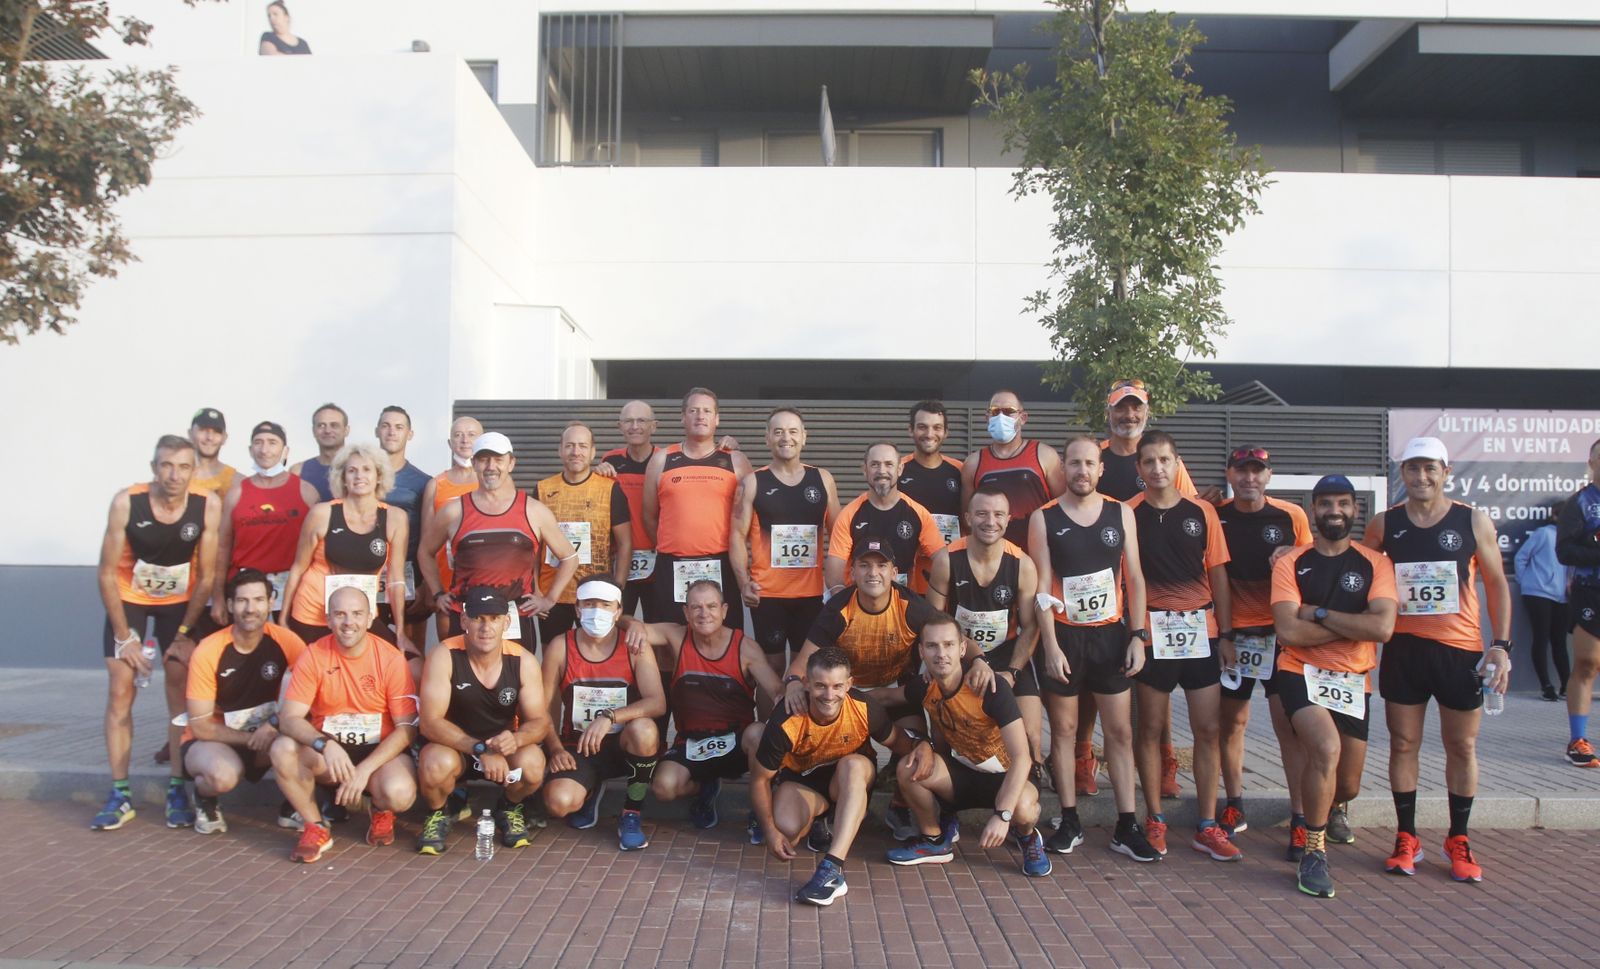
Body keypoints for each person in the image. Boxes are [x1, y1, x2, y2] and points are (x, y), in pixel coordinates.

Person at [1364, 436, 1512, 882]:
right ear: (1402, 473)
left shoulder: (1472, 520)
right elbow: (1362, 579)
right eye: (1413, 468)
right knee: (1403, 743)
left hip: (1459, 650)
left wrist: (1501, 647)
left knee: (1461, 745)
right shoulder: (1384, 524)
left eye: (1431, 468)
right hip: (1404, 650)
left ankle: (1459, 837)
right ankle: (1406, 835)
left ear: (1446, 472)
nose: (1422, 476)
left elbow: (1497, 584)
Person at [1027, 436, 1157, 862]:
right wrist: (1048, 644)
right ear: (1063, 469)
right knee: (1063, 732)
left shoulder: (1121, 513)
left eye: (1090, 464)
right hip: (1064, 637)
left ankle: (1126, 822)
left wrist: (1137, 635)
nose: (1082, 471)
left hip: (1110, 637)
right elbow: (1042, 587)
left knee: (1120, 733)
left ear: (1101, 469)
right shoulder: (1043, 518)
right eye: (1074, 464)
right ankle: (1069, 818)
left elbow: (1135, 578)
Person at [1271, 474, 1397, 898]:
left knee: (1348, 785)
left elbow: (1382, 627)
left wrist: (1319, 614)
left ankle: (1329, 807)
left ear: (1355, 510)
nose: (1334, 511)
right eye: (1326, 504)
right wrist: (1352, 627)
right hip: (1298, 671)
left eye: (1343, 503)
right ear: (1313, 509)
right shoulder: (1291, 562)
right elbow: (1288, 632)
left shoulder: (1374, 564)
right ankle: (1313, 848)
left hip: (1353, 679)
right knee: (1325, 747)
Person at [1085, 379, 1208, 801]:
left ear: (1146, 414)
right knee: (1093, 677)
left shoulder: (1166, 461)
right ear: (1109, 413)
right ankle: (1085, 755)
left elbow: (1187, 514)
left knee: (1156, 684)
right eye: (1121, 409)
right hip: (1099, 586)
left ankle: (1165, 760)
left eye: (1136, 409)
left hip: (1155, 593)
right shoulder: (1095, 458)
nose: (1128, 416)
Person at [92, 435, 221, 831]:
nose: (174, 474)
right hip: (130, 597)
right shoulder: (126, 502)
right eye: (166, 465)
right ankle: (120, 792)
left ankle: (177, 787)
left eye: (183, 467)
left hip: (178, 603)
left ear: (193, 471)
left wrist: (185, 631)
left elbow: (207, 577)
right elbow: (106, 573)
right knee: (120, 686)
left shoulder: (206, 505)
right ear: (153, 468)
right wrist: (124, 636)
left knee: (180, 687)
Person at [1126, 431, 1238, 861]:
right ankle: (1154, 818)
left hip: (1201, 634)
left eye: (1165, 460)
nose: (1157, 468)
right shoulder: (1127, 515)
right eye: (1149, 461)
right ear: (1139, 469)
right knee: (1150, 731)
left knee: (1208, 730)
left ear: (1177, 464)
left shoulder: (1202, 513)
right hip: (1151, 636)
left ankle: (1207, 825)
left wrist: (1226, 634)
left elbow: (1219, 576)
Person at [886, 615, 1051, 877]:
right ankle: (933, 841)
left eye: (949, 645)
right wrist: (839, 695)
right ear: (921, 651)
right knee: (910, 767)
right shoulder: (926, 686)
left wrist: (1003, 816)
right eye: (932, 646)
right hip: (964, 774)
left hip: (1008, 777)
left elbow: (1022, 758)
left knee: (1022, 808)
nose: (941, 654)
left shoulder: (991, 687)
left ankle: (1028, 836)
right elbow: (885, 696)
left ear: (962, 649)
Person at [271, 586, 418, 861]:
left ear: (371, 616)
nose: (349, 622)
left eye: (357, 614)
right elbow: (289, 718)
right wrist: (324, 744)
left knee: (400, 793)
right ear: (328, 619)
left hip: (379, 754)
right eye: (340, 614)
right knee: (281, 749)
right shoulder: (314, 655)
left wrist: (365, 769)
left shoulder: (391, 659)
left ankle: (380, 807)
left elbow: (407, 728)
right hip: (329, 754)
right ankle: (315, 827)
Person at [750, 647, 904, 906]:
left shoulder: (865, 708)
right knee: (785, 829)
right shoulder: (785, 719)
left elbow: (900, 743)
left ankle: (832, 869)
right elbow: (759, 780)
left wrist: (923, 747)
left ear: (849, 684)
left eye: (837, 686)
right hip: (804, 782)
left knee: (853, 766)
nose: (829, 695)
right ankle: (822, 820)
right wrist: (770, 831)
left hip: (849, 778)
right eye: (820, 686)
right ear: (807, 683)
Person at [628, 580, 783, 831]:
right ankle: (705, 788)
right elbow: (630, 625)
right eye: (696, 607)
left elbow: (777, 690)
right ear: (686, 613)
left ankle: (759, 808)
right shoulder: (676, 636)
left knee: (758, 732)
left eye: (711, 606)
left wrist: (792, 692)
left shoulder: (745, 647)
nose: (704, 613)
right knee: (663, 789)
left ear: (724, 610)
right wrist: (632, 622)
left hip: (736, 742)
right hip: (691, 742)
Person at [1214, 446, 1312, 843]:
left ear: (1269, 475)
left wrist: (1296, 553)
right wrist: (1222, 634)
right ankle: (1235, 802)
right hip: (1234, 639)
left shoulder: (1292, 516)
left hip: (1280, 638)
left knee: (1287, 726)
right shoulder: (1215, 515)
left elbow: (1313, 562)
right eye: (1242, 471)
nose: (1249, 478)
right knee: (1231, 724)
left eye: (1257, 471)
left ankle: (1302, 816)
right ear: (1230, 474)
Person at [415, 587, 550, 854]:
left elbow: (539, 722)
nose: (486, 627)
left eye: (494, 618)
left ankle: (510, 807)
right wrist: (480, 749)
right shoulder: (444, 654)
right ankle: (437, 813)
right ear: (464, 621)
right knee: (434, 763)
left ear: (507, 622)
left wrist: (516, 739)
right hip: (456, 749)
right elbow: (430, 722)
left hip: (502, 750)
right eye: (478, 618)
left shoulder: (523, 660)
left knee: (533, 763)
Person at [418, 431, 578, 646]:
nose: (491, 466)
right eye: (484, 459)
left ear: (511, 463)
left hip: (515, 620)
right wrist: (438, 593)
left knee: (519, 679)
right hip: (467, 619)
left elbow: (569, 557)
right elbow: (425, 552)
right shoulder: (454, 511)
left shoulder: (534, 511)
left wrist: (549, 600)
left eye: (498, 459)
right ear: (474, 463)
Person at [541, 580, 666, 851]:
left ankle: (631, 813)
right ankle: (590, 789)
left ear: (619, 611)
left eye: (605, 605)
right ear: (577, 608)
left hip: (624, 746)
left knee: (645, 730)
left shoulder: (634, 646)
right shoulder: (560, 646)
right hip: (579, 747)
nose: (596, 611)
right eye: (589, 604)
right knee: (558, 803)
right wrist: (554, 749)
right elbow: (545, 708)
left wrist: (609, 716)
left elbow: (657, 702)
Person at [182, 569, 307, 834]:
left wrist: (275, 726)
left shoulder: (287, 641)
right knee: (222, 775)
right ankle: (205, 797)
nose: (251, 608)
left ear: (271, 602)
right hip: (215, 740)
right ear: (230, 605)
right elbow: (202, 726)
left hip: (267, 735)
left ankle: (292, 805)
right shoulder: (208, 650)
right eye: (242, 601)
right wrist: (253, 738)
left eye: (259, 600)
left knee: (309, 738)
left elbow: (312, 693)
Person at [926, 487, 1042, 767]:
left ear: (1009, 519)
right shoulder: (946, 560)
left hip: (1007, 653)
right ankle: (950, 785)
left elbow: (1030, 627)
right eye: (982, 514)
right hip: (958, 655)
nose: (990, 521)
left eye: (998, 514)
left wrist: (1013, 672)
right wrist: (970, 658)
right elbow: (934, 623)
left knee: (1031, 735)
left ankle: (1033, 776)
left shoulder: (1023, 565)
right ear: (967, 518)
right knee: (949, 730)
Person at [278, 442, 414, 669]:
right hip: (313, 613)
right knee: (323, 674)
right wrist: (283, 619)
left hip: (361, 616)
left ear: (379, 476)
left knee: (411, 667)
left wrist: (400, 630)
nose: (359, 476)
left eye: (367, 469)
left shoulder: (395, 518)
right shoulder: (322, 513)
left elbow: (396, 579)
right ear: (342, 478)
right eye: (352, 470)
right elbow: (298, 568)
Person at [730, 406, 841, 674]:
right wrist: (743, 583)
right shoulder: (753, 482)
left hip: (812, 596)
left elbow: (840, 534)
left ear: (804, 436)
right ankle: (768, 719)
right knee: (772, 667)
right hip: (768, 596)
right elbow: (736, 535)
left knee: (808, 668)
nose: (785, 438)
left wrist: (839, 585)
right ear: (767, 438)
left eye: (793, 431)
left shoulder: (823, 479)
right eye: (778, 431)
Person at [642, 388, 754, 631]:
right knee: (669, 638)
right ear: (683, 417)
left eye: (706, 411)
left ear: (717, 419)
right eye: (693, 410)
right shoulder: (662, 459)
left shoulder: (735, 460)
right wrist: (677, 546)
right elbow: (649, 516)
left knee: (724, 636)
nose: (700, 416)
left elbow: (748, 519)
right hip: (672, 566)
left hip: (721, 565)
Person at [211, 421, 319, 630]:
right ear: (250, 450)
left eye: (272, 443)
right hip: (246, 590)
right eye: (258, 443)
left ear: (285, 450)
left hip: (291, 590)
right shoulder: (236, 493)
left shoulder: (307, 492)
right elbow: (223, 547)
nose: (265, 449)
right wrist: (217, 597)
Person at [536, 422, 633, 641]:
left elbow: (625, 544)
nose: (576, 452)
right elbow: (534, 547)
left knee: (595, 654)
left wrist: (617, 589)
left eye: (582, 446)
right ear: (560, 450)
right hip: (553, 593)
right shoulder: (542, 489)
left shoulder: (609, 488)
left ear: (592, 452)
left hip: (595, 592)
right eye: (569, 446)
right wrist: (535, 590)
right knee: (553, 657)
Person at [825, 442, 945, 595]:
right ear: (865, 470)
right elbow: (834, 572)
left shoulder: (919, 513)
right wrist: (846, 604)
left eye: (889, 464)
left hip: (903, 603)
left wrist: (936, 600)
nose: (882, 471)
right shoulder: (849, 515)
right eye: (875, 464)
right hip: (859, 602)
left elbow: (942, 558)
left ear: (899, 469)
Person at [962, 390, 1065, 548]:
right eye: (995, 411)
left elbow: (1065, 507)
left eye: (1009, 411)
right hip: (992, 560)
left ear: (1023, 418)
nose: (1001, 417)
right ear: (987, 418)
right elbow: (967, 520)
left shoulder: (1044, 455)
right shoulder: (973, 463)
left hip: (1037, 555)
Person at [1555, 442, 1600, 768]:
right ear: (1592, 462)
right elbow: (1564, 552)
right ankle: (1577, 739)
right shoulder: (1580, 503)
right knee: (1587, 663)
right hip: (1590, 591)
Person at [375, 406, 435, 649]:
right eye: (386, 426)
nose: (392, 432)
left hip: (410, 576)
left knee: (410, 650)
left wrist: (426, 585)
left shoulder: (423, 482)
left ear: (410, 434)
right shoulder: (363, 476)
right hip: (370, 573)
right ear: (377, 431)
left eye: (399, 427)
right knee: (373, 648)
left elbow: (429, 537)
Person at [420, 416, 484, 640]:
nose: (465, 440)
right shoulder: (436, 485)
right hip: (447, 584)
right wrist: (432, 589)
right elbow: (426, 541)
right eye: (458, 435)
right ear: (450, 443)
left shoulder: (493, 483)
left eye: (471, 435)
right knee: (449, 649)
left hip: (484, 580)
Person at [598, 401, 662, 618]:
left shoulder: (666, 460)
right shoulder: (610, 460)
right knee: (617, 626)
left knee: (661, 630)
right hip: (621, 561)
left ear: (654, 426)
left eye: (641, 420)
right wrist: (597, 473)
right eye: (629, 421)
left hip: (659, 561)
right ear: (620, 426)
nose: (635, 426)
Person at [1518, 499, 1571, 702]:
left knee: (1559, 641)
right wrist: (1527, 583)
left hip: (1562, 595)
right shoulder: (1544, 534)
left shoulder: (1571, 538)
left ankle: (1566, 686)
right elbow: (1521, 557)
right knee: (1541, 637)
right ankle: (1545, 686)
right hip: (1538, 593)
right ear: (1555, 515)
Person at [899, 401, 964, 547]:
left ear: (946, 432)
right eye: (922, 427)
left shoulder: (960, 470)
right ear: (910, 430)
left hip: (949, 562)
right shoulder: (898, 470)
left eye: (937, 427)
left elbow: (968, 519)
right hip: (909, 564)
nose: (929, 434)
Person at [289, 403, 349, 503]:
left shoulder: (363, 468)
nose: (327, 430)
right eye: (321, 425)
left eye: (334, 425)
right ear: (313, 431)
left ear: (346, 430)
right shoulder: (298, 471)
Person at [188, 408, 236, 497]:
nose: (210, 437)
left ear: (224, 437)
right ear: (190, 434)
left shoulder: (236, 481)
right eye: (203, 430)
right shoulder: (176, 477)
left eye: (216, 432)